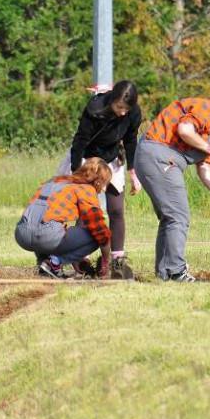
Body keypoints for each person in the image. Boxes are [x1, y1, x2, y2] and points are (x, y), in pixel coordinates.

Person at [134, 81, 210, 282]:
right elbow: (185, 130)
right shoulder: (207, 109)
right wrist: (206, 148)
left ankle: (164, 273)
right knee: (179, 216)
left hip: (157, 158)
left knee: (170, 218)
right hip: (158, 155)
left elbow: (205, 171)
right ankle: (176, 271)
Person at [62, 80, 143, 279]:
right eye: (119, 107)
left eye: (127, 108)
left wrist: (133, 172)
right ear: (112, 100)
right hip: (87, 159)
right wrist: (76, 171)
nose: (123, 112)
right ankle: (80, 257)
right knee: (87, 210)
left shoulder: (132, 112)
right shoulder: (95, 108)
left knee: (116, 209)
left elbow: (131, 140)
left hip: (112, 159)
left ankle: (117, 260)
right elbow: (79, 140)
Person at [15, 157, 113, 279]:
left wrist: (76, 258)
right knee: (96, 237)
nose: (104, 189)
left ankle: (44, 264)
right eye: (105, 184)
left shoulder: (54, 181)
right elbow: (100, 232)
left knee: (47, 224)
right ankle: (54, 263)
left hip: (21, 233)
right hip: (45, 235)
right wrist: (105, 262)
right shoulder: (86, 189)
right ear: (98, 181)